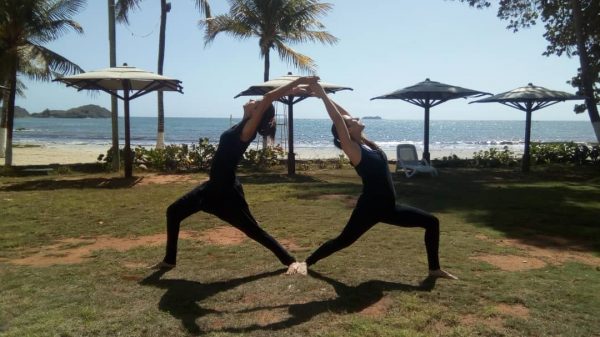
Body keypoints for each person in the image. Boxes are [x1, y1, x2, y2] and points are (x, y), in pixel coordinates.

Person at [287, 82, 457, 280]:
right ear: (347, 132)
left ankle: (434, 269)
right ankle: (306, 262)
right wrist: (323, 94)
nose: (356, 118)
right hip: (370, 208)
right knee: (343, 241)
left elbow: (342, 116)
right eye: (351, 121)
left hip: (390, 207)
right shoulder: (353, 150)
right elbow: (338, 119)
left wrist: (318, 95)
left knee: (432, 222)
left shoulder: (366, 143)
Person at [152, 76, 319, 273]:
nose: (252, 101)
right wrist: (297, 89)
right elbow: (267, 100)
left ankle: (290, 260)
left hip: (224, 192)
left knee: (252, 230)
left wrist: (299, 81)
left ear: (258, 113)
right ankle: (170, 260)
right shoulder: (243, 124)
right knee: (173, 212)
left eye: (256, 103)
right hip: (212, 187)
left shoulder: (247, 131)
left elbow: (269, 98)